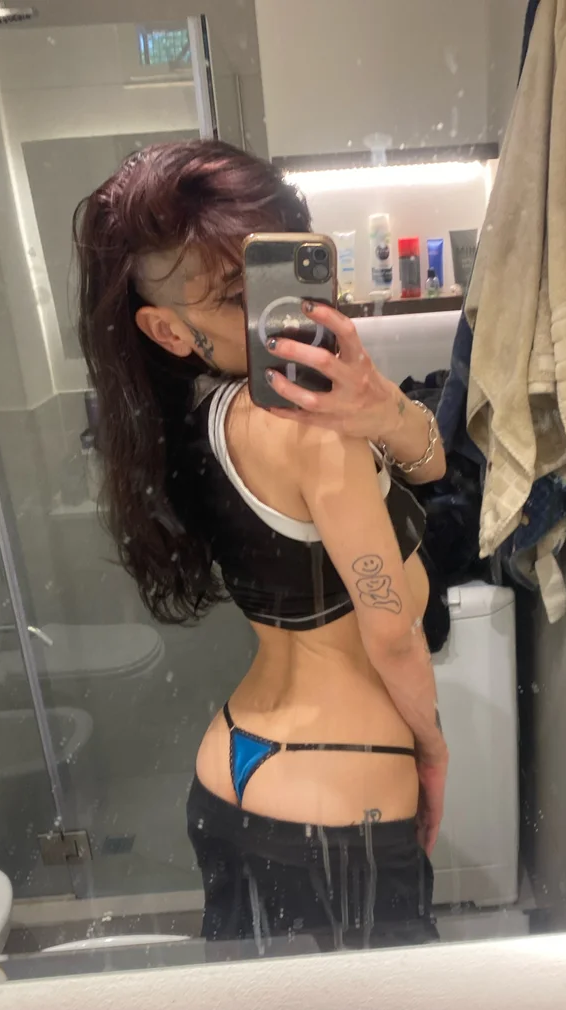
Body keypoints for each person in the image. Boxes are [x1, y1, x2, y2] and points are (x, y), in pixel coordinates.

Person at [74, 140, 448, 954]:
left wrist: (382, 408)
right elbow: (390, 631)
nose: (277, 312)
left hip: (230, 769)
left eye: (278, 273)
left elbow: (432, 460)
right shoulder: (311, 434)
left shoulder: (188, 421)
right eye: (231, 296)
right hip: (340, 779)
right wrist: (433, 749)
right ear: (165, 329)